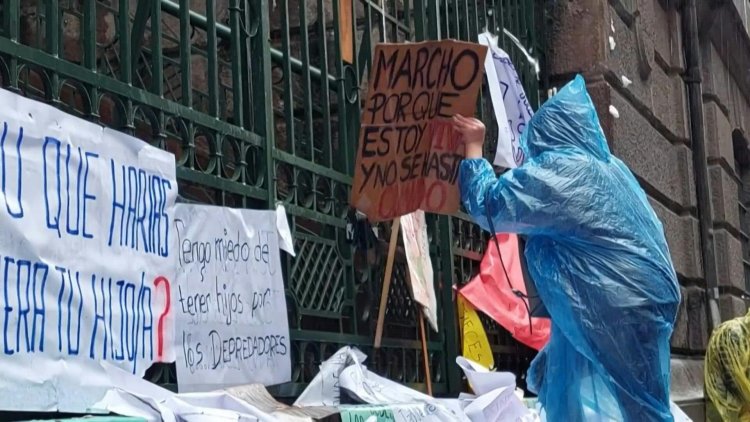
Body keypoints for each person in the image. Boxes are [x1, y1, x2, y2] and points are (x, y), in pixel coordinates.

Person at [452, 75, 681, 421]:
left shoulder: (563, 170)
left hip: (615, 304)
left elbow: (491, 206)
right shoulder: (611, 169)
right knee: (568, 377)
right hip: (641, 299)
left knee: (641, 407)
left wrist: (473, 147)